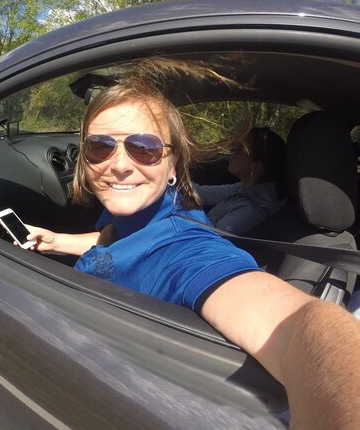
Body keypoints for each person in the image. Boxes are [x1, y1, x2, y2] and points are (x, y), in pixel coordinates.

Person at [25, 68, 360, 428]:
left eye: (144, 148)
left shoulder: (185, 247)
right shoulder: (135, 209)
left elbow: (300, 328)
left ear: (172, 164)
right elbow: (113, 241)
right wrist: (56, 241)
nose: (119, 166)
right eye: (99, 146)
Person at [194, 126, 286, 234]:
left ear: (255, 168)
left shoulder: (250, 211)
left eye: (239, 149)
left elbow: (210, 238)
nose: (232, 151)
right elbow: (200, 193)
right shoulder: (243, 189)